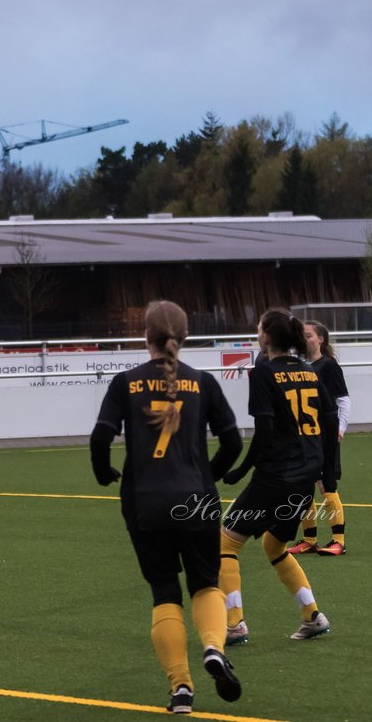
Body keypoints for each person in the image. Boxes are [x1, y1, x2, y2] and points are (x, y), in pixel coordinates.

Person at [89, 300, 244, 715]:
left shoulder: (125, 383)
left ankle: (181, 689)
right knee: (206, 583)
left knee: (164, 593)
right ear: (185, 337)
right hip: (197, 500)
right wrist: (206, 475)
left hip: (146, 503)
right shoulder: (204, 382)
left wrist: (104, 471)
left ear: (146, 336)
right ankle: (213, 646)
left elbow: (100, 439)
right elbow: (234, 444)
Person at [220, 307, 337, 644]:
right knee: (274, 544)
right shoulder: (309, 370)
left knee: (224, 544)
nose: (257, 332)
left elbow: (264, 431)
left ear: (266, 336)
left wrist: (242, 468)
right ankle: (312, 615)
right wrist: (326, 468)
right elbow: (329, 419)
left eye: (258, 328)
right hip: (304, 477)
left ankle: (234, 624)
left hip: (275, 476)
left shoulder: (264, 374)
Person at [287, 320, 351, 557]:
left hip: (325, 436)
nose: (305, 340)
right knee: (304, 486)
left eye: (309, 335)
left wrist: (340, 427)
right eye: (302, 336)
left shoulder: (328, 366)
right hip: (304, 436)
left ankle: (338, 540)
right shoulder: (298, 366)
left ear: (321, 339)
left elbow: (343, 399)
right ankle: (309, 539)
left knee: (327, 485)